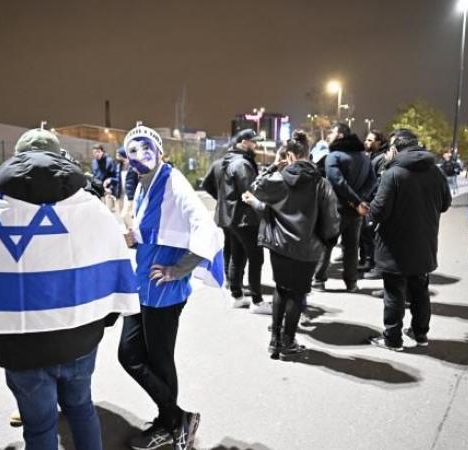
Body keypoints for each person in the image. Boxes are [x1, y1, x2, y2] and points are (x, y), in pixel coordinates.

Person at [0, 128, 139, 450]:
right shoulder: (91, 207)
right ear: (59, 155)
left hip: (21, 348)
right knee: (81, 408)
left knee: (39, 425)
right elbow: (115, 261)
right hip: (81, 337)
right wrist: (101, 318)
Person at [120, 124, 224, 450]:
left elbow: (206, 230)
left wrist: (178, 270)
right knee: (129, 354)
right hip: (142, 286)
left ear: (160, 152)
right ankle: (178, 417)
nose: (139, 156)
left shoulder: (173, 181)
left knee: (160, 360)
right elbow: (159, 228)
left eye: (145, 148)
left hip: (163, 292)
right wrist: (135, 238)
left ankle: (169, 425)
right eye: (132, 151)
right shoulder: (142, 184)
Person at [243, 130, 339, 358]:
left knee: (281, 290)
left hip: (280, 246)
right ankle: (287, 341)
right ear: (309, 154)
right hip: (307, 248)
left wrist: (274, 165)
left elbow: (256, 186)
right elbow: (332, 219)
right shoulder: (321, 184)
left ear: (290, 157)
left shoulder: (280, 180)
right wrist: (327, 241)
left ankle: (275, 340)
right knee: (297, 294)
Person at [368, 129, 451, 351]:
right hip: (425, 242)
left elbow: (377, 211)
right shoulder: (436, 171)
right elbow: (445, 204)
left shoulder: (393, 173)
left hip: (395, 245)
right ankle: (421, 334)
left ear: (395, 149)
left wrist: (383, 170)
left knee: (394, 292)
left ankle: (392, 339)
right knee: (420, 291)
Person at [200, 128, 270, 314]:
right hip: (245, 218)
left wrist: (222, 200)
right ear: (244, 142)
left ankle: (236, 294)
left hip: (229, 217)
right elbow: (251, 191)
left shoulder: (224, 161)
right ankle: (257, 300)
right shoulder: (242, 164)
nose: (255, 145)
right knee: (256, 257)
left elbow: (207, 185)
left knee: (235, 254)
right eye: (253, 142)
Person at [312, 122, 375, 293]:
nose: (329, 136)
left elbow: (337, 182)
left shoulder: (334, 156)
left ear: (340, 135)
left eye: (332, 132)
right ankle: (351, 283)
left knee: (326, 243)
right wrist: (360, 201)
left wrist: (354, 201)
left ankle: (318, 280)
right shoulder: (364, 157)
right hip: (356, 213)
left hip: (336, 208)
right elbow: (372, 181)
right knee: (352, 247)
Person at [359, 130, 387, 276]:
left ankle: (373, 264)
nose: (366, 142)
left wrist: (367, 197)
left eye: (370, 140)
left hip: (372, 200)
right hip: (368, 199)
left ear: (379, 142)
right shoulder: (371, 156)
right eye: (367, 139)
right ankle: (367, 261)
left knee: (370, 233)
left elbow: (378, 182)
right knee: (365, 233)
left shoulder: (381, 158)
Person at [90, 143, 116, 210]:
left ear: (102, 151)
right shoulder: (93, 162)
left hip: (107, 191)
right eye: (94, 152)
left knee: (108, 212)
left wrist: (110, 188)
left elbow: (115, 176)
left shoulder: (110, 161)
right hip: (97, 192)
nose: (96, 154)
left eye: (98, 152)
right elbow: (93, 176)